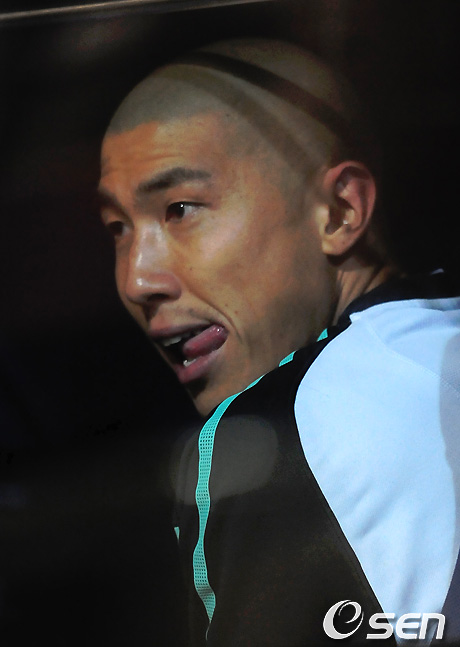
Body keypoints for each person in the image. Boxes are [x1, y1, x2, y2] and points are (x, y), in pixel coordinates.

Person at [98, 39, 460, 646]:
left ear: (339, 211)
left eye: (180, 209)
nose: (138, 279)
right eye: (117, 228)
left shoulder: (266, 442)